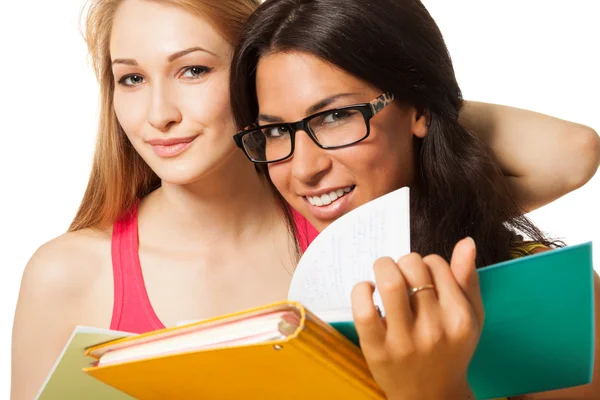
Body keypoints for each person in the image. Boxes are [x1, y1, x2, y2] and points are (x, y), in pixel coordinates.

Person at [10, 0, 598, 399]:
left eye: (192, 70)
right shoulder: (66, 274)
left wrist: (390, 93)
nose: (159, 114)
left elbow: (572, 153)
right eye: (130, 78)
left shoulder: (357, 219)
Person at [229, 0, 600, 398]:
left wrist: (435, 390)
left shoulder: (540, 292)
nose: (303, 169)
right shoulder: (263, 292)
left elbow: (575, 151)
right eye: (276, 131)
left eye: (336, 116)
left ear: (417, 108)